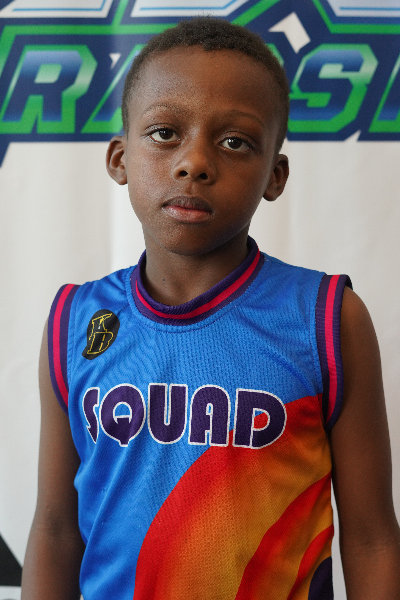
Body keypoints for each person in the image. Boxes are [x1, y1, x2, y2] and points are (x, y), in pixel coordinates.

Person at [21, 17, 400, 600]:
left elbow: (373, 537)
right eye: (165, 133)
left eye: (234, 142)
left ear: (274, 175)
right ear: (120, 158)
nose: (194, 162)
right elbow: (55, 529)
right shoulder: (76, 320)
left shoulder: (328, 318)